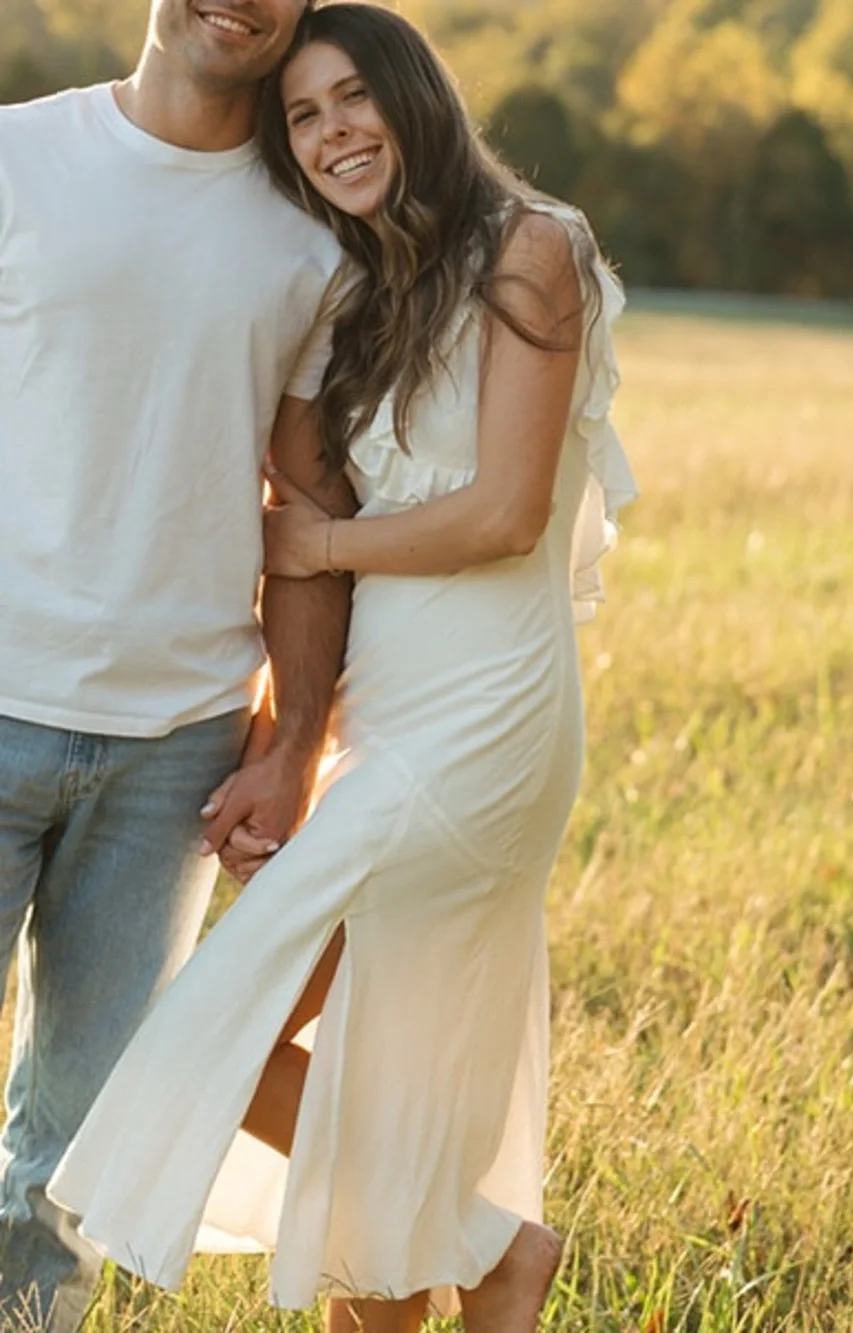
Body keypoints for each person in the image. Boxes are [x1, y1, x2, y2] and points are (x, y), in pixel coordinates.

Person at [50, 5, 637, 1331]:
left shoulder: (527, 250)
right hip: (397, 712)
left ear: (414, 95)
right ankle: (473, 1265)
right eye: (303, 117)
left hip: (486, 723)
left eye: (353, 98)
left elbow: (506, 514)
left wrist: (314, 534)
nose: (331, 134)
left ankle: (491, 1245)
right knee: (387, 1056)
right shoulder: (369, 288)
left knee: (207, 1025)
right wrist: (292, 732)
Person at [0, 1, 354, 1328]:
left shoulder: (309, 230)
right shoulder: (16, 161)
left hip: (175, 758)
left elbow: (307, 516)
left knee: (72, 1163)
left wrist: (297, 739)